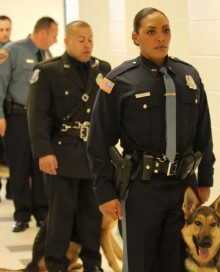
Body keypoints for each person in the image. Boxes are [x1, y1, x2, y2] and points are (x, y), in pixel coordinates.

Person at [87, 7, 215, 272]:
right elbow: (99, 141)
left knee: (179, 264)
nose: (161, 37)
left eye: (166, 30)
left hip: (184, 189)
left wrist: (205, 179)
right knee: (141, 264)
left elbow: (204, 134)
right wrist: (105, 192)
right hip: (141, 189)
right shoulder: (118, 81)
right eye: (151, 32)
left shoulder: (188, 76)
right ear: (136, 37)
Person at [27, 20, 111, 272]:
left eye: (90, 39)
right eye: (81, 39)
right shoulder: (48, 71)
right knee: (60, 217)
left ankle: (92, 264)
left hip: (92, 156)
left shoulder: (102, 70)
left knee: (91, 216)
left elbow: (109, 108)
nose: (87, 44)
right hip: (60, 155)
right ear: (66, 41)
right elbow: (37, 115)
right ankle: (55, 264)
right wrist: (44, 152)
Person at [0, 16, 58, 232]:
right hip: (17, 118)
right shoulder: (11, 51)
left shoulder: (47, 55)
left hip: (41, 120)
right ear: (42, 33)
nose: (55, 40)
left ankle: (42, 213)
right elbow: (0, 84)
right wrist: (0, 116)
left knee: (40, 165)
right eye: (53, 35)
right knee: (19, 167)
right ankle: (22, 214)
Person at [0, 15, 12, 200]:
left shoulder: (12, 52)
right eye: (1, 29)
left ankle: (11, 190)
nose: (4, 33)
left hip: (9, 111)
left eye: (7, 29)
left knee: (10, 153)